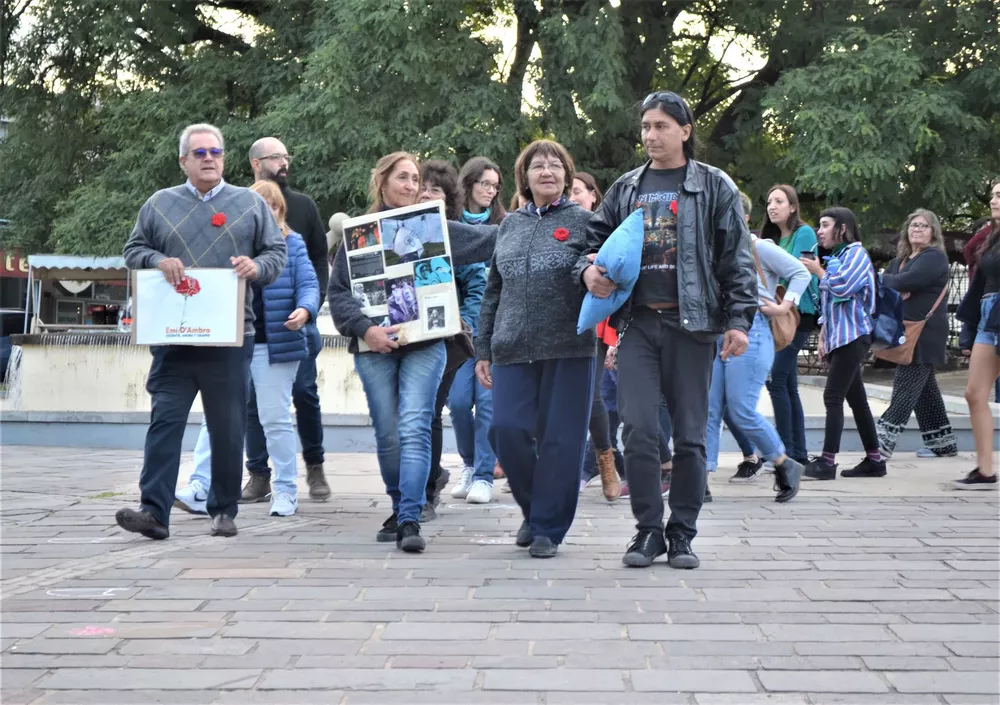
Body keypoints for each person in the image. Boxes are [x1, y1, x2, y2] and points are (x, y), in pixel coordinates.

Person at [576, 91, 758, 569]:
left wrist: (739, 322)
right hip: (637, 325)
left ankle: (682, 533)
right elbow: (591, 243)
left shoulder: (714, 186)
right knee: (636, 430)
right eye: (645, 127)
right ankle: (647, 531)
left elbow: (736, 261)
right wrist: (586, 272)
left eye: (660, 126)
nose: (651, 136)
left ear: (685, 130)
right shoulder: (625, 187)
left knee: (691, 436)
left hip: (693, 327)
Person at [117, 123, 287, 539]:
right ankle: (154, 512)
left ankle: (223, 510)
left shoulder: (249, 204)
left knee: (228, 425)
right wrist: (157, 260)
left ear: (224, 158)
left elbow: (276, 252)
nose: (209, 158)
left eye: (216, 151)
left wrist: (256, 267)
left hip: (230, 336)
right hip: (173, 338)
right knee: (165, 422)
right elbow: (132, 251)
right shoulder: (159, 204)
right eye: (199, 153)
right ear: (183, 161)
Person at [327, 152, 498, 553]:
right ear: (382, 182)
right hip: (374, 348)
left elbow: (490, 239)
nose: (410, 185)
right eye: (402, 178)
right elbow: (338, 295)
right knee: (388, 435)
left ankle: (409, 514)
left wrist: (532, 220)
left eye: (414, 178)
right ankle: (398, 503)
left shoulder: (433, 227)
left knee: (415, 426)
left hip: (427, 344)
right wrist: (367, 330)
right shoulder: (359, 233)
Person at [475, 139, 597, 559]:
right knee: (504, 430)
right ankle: (535, 508)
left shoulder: (585, 221)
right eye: (537, 166)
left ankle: (547, 528)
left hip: (569, 345)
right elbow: (493, 291)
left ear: (567, 174)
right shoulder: (509, 226)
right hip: (510, 346)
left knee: (562, 441)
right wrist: (483, 348)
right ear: (523, 177)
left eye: (555, 165)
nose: (547, 171)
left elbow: (598, 269)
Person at [174, 182, 320, 517]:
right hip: (232, 342)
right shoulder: (227, 243)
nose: (266, 212)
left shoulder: (292, 244)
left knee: (274, 418)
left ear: (280, 211)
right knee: (215, 416)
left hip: (277, 344)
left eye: (273, 206)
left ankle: (285, 490)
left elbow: (309, 284)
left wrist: (306, 310)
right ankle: (200, 485)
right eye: (258, 205)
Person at [241, 137, 330, 504]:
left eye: (286, 156)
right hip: (251, 329)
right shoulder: (240, 206)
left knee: (305, 393)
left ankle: (314, 466)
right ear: (256, 164)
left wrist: (310, 309)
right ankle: (259, 474)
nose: (283, 162)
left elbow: (317, 266)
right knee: (251, 401)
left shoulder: (304, 207)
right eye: (275, 157)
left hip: (297, 325)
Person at [705, 234, 810, 500]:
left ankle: (783, 462)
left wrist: (784, 306)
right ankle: (699, 479)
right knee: (708, 409)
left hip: (753, 330)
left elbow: (800, 272)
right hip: (716, 333)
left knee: (741, 409)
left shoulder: (757, 247)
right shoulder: (708, 246)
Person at [416, 160, 488, 519]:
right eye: (422, 187)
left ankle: (427, 493)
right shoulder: (397, 230)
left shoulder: (454, 234)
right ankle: (430, 476)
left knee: (430, 410)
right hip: (403, 339)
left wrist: (467, 323)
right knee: (411, 413)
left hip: (446, 340)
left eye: (435, 189)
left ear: (448, 200)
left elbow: (478, 285)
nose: (426, 194)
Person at [799, 207, 883, 480]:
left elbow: (843, 287)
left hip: (854, 335)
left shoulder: (856, 254)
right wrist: (823, 336)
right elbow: (829, 305)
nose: (819, 231)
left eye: (825, 225)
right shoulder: (840, 256)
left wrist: (818, 271)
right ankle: (874, 460)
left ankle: (827, 462)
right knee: (857, 400)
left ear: (842, 228)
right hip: (840, 338)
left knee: (832, 396)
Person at [874, 209, 957, 463]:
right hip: (906, 327)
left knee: (905, 385)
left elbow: (906, 282)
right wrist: (896, 283)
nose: (917, 229)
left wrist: (891, 281)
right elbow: (895, 286)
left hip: (926, 330)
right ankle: (943, 444)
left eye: (923, 226)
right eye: (913, 225)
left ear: (933, 232)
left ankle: (881, 443)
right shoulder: (901, 259)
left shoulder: (934, 257)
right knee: (925, 389)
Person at [448, 157, 502, 505]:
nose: (490, 190)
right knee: (457, 403)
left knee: (487, 404)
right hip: (460, 330)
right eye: (484, 183)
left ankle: (484, 474)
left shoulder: (505, 224)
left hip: (496, 330)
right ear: (468, 184)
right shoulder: (449, 225)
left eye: (495, 185)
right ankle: (468, 465)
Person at [759, 185, 820, 467]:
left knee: (778, 381)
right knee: (789, 384)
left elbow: (798, 271)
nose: (773, 206)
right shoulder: (769, 239)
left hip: (798, 314)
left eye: (779, 201)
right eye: (770, 201)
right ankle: (797, 452)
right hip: (779, 315)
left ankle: (783, 453)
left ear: (793, 207)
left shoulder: (803, 233)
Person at [568, 172, 620, 500]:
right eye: (567, 192)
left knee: (592, 395)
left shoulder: (603, 229)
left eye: (577, 191)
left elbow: (618, 276)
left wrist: (616, 338)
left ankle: (605, 459)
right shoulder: (550, 222)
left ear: (592, 196)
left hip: (595, 321)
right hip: (556, 320)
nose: (572, 196)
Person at [955, 180, 1000, 490]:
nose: (994, 199)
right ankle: (985, 469)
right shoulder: (992, 237)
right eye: (994, 194)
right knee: (974, 393)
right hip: (989, 313)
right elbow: (971, 254)